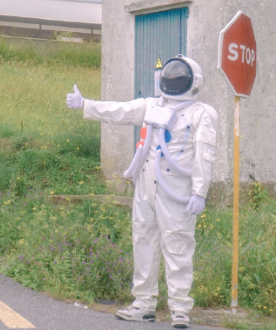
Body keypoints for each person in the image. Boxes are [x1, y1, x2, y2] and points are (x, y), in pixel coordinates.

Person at [66, 54, 218, 329]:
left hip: (177, 190)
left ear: (192, 81)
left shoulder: (201, 113)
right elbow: (120, 111)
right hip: (146, 184)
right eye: (170, 76)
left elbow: (204, 155)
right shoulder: (152, 105)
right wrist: (86, 104)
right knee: (143, 242)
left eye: (177, 77)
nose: (172, 80)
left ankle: (180, 309)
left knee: (178, 245)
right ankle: (143, 304)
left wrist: (199, 191)